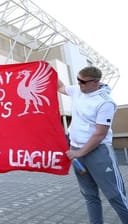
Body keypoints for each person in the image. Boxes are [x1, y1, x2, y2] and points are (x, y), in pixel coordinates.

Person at [58, 66, 128, 223]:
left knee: (115, 195)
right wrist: (47, 69)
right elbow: (61, 87)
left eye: (83, 81)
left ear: (95, 82)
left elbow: (100, 134)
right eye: (78, 80)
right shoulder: (78, 90)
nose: (79, 84)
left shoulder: (105, 103)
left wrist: (79, 153)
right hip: (77, 153)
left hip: (98, 153)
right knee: (89, 195)